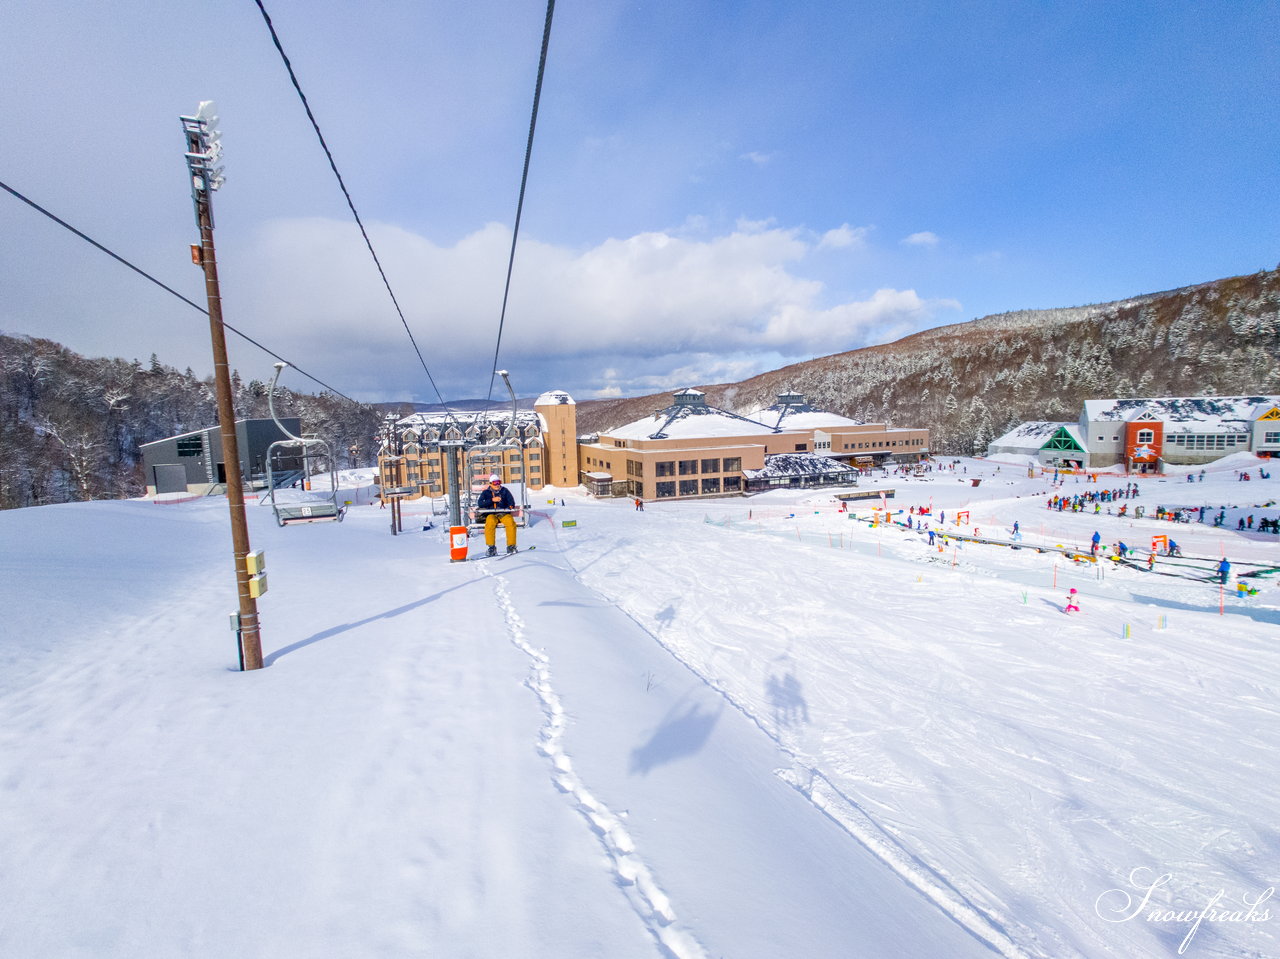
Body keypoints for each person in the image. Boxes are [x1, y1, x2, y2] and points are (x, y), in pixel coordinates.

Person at [477, 473, 517, 555]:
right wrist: (492, 500)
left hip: (503, 513)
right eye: (495, 483)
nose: (497, 485)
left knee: (510, 522)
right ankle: (491, 547)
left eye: (499, 482)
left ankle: (511, 546)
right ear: (491, 483)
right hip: (491, 513)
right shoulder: (486, 493)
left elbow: (511, 501)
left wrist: (510, 506)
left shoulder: (504, 491)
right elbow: (480, 503)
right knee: (490, 523)